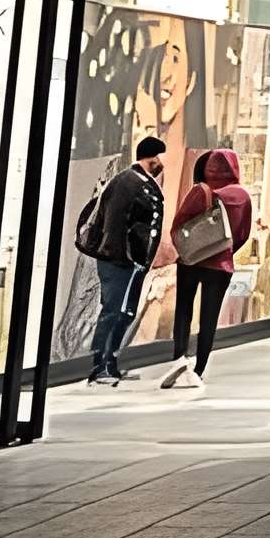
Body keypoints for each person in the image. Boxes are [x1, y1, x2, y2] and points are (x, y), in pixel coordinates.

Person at [77, 135, 168, 386]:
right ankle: (101, 365)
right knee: (115, 311)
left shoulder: (137, 182)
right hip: (120, 260)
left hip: (125, 260)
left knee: (123, 312)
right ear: (153, 157)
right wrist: (133, 257)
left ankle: (109, 362)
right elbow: (118, 223)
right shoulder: (130, 182)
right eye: (161, 156)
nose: (164, 163)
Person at [163, 149, 254, 390]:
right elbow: (243, 234)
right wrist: (223, 250)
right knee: (209, 318)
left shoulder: (200, 191)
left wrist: (189, 249)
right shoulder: (242, 196)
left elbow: (179, 226)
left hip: (191, 261)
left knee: (184, 310)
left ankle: (179, 359)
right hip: (221, 264)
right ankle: (199, 369)